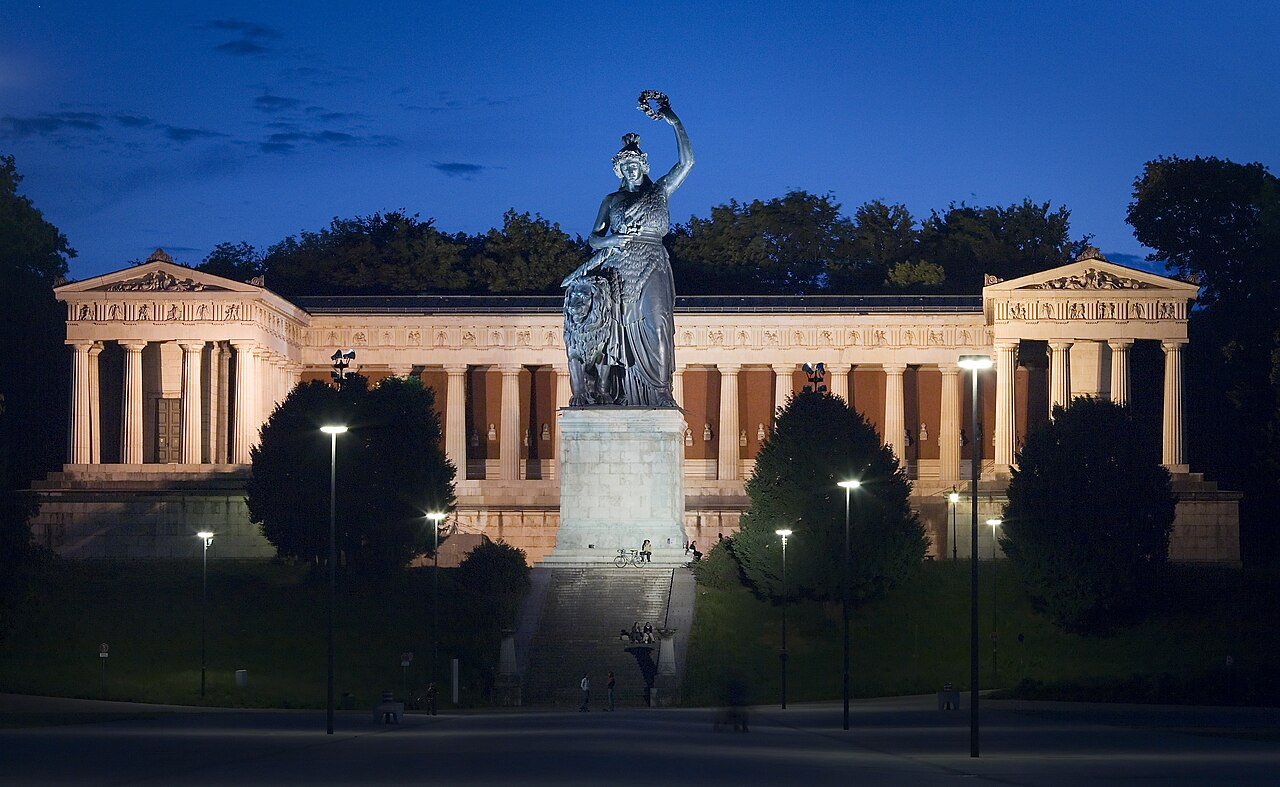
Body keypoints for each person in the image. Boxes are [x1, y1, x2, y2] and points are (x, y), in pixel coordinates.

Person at [562, 92, 693, 407]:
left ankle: (660, 392)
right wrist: (611, 241)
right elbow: (594, 239)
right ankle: (619, 394)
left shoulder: (660, 190)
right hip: (619, 269)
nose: (631, 168)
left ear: (644, 165)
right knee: (618, 337)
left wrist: (673, 120)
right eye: (626, 165)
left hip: (653, 261)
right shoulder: (612, 201)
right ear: (619, 170)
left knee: (658, 323)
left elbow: (687, 162)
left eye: (635, 163)